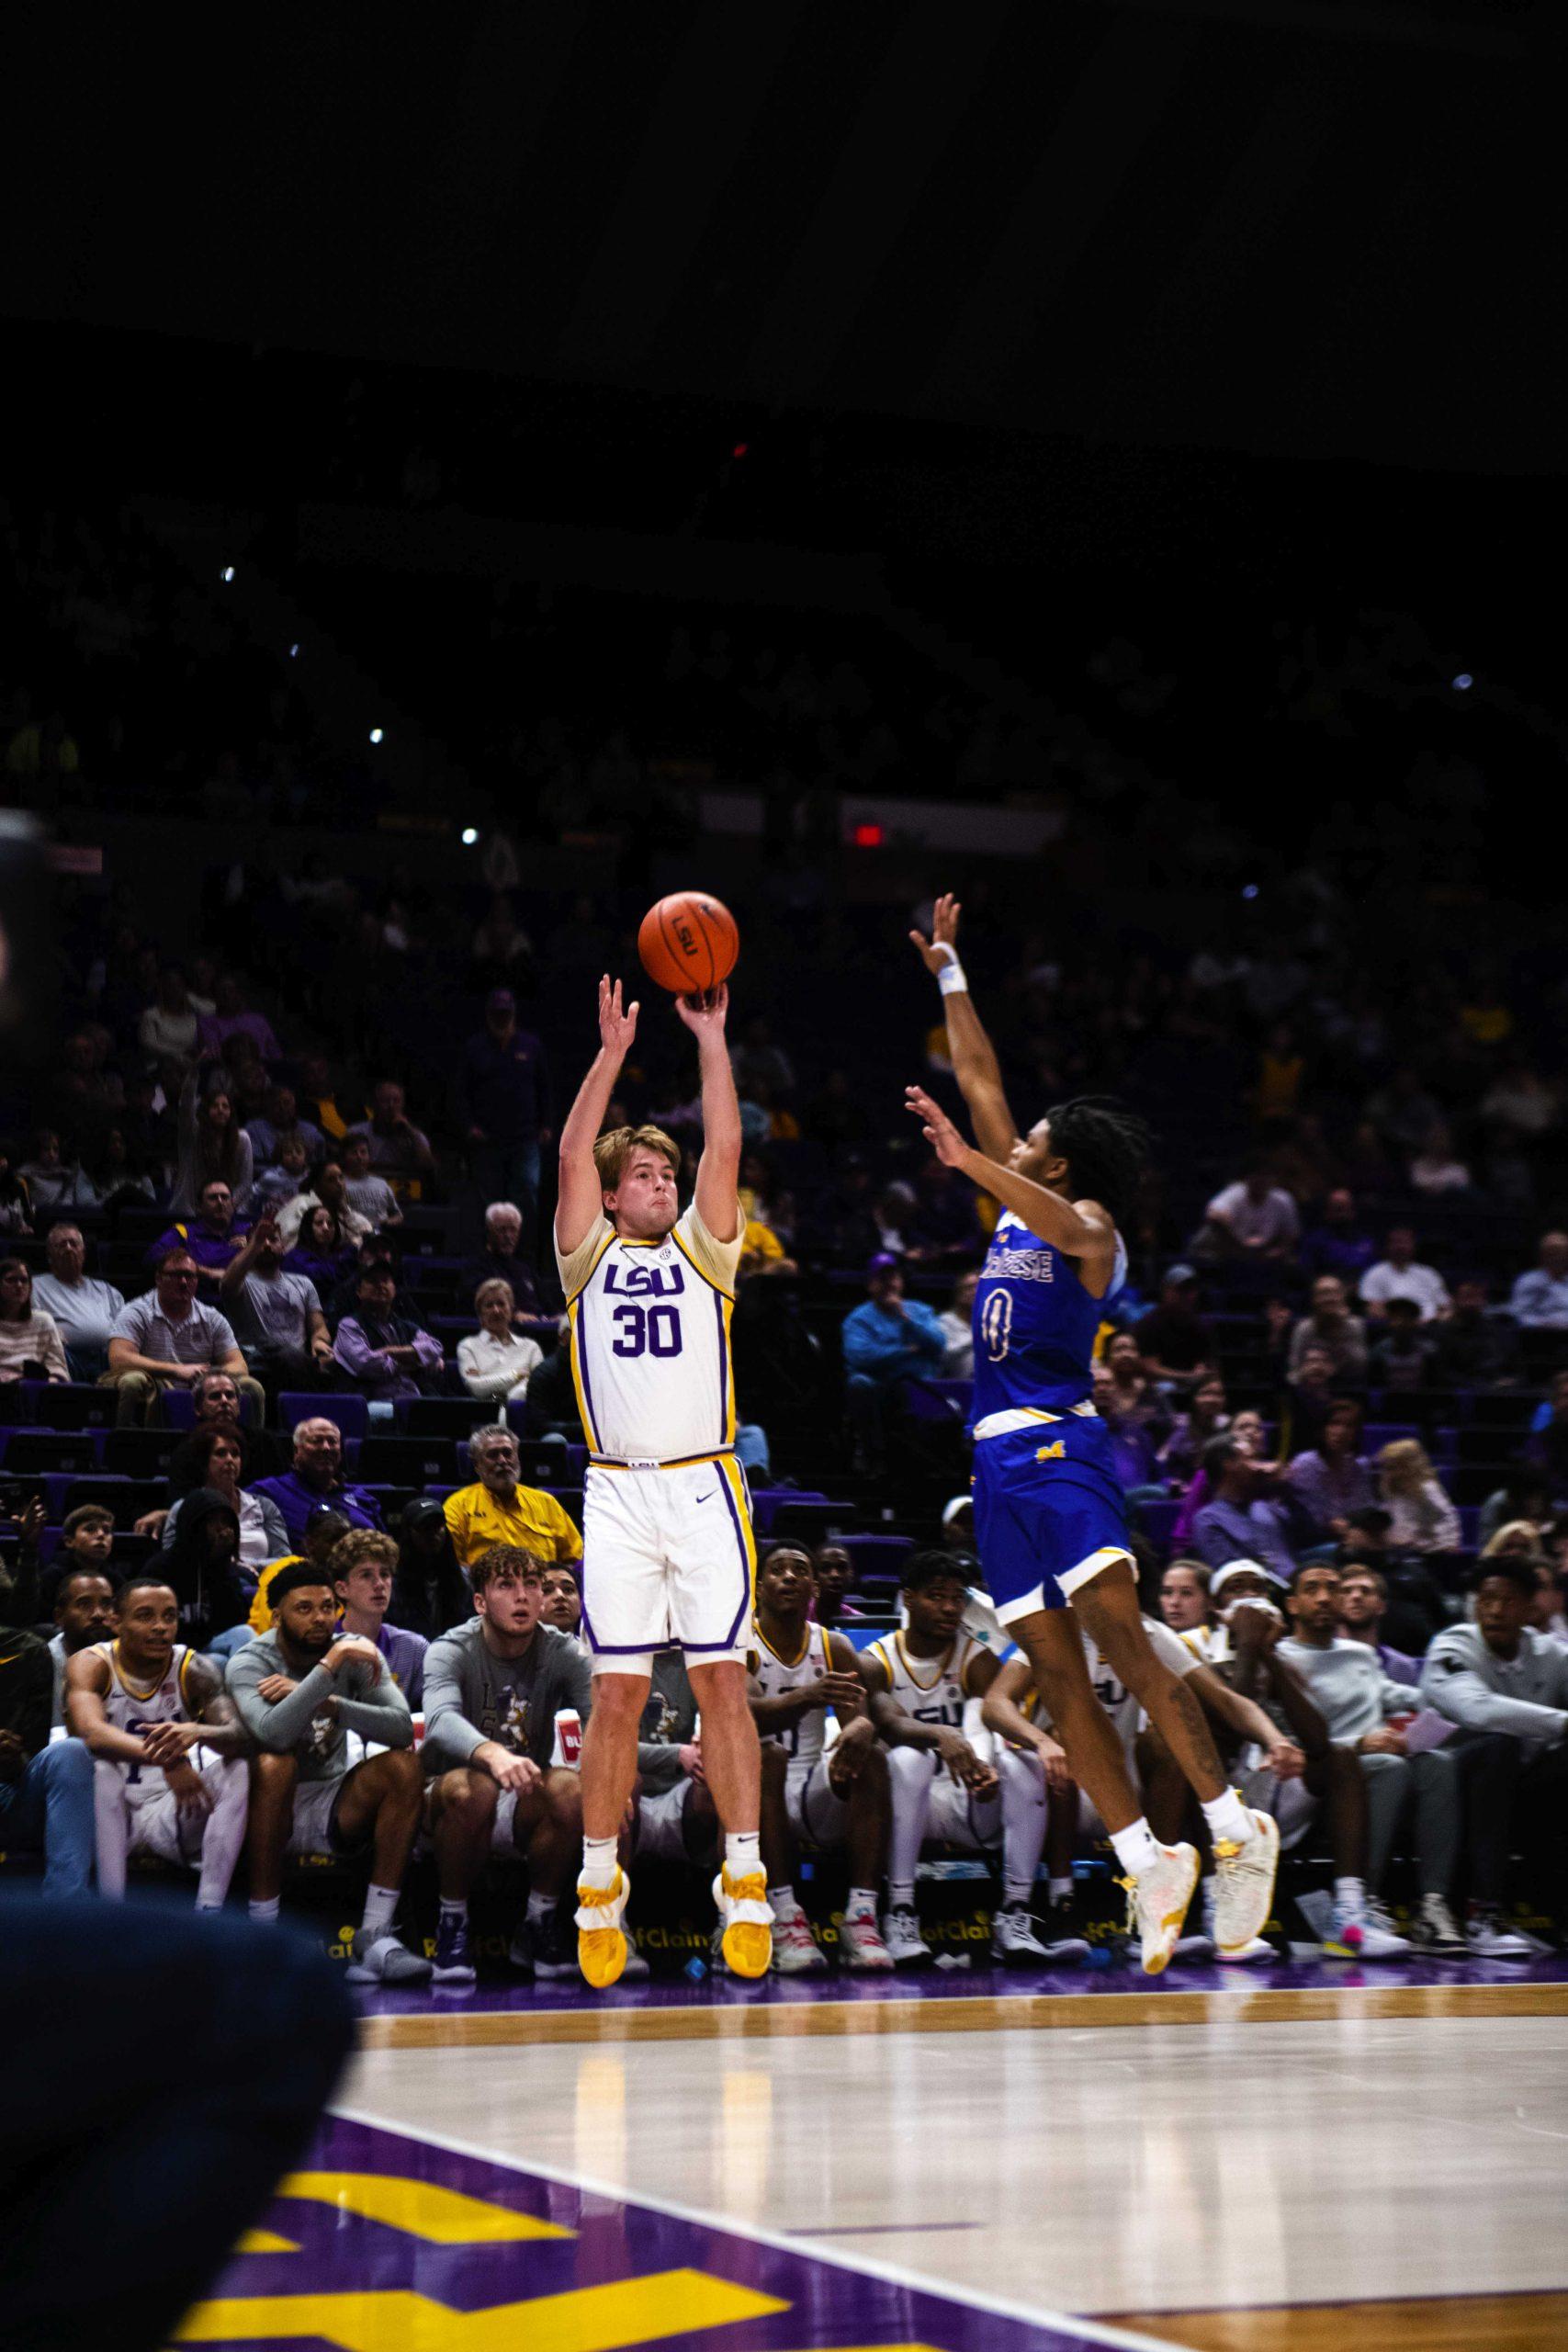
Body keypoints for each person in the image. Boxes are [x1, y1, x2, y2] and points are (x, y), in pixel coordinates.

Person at [908, 891, 1280, 1972]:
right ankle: (1145, 1857)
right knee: (1061, 1684)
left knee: (1125, 1644)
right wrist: (950, 973)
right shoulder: (1020, 1198)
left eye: (1030, 1144)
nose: (1013, 1142)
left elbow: (1052, 1203)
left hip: (1064, 1453)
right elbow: (980, 1081)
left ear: (1059, 1164)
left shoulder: (1088, 1232)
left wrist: (967, 1161)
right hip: (994, 1466)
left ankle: (1229, 1824)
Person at [555, 972, 770, 1988]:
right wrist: (607, 1054)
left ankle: (747, 1876)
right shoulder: (584, 1255)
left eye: (663, 1173)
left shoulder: (704, 1250)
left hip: (703, 1488)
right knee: (618, 1694)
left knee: (723, 1678)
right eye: (642, 1173)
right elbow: (567, 1152)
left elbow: (724, 1146)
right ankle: (600, 1886)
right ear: (609, 1194)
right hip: (616, 1494)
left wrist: (710, 1042)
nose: (661, 1182)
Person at [226, 1557, 432, 1983]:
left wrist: (328, 1701)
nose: (319, 1618)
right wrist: (327, 1671)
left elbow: (399, 1728)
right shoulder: (249, 1662)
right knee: (275, 1765)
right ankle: (263, 1932)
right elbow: (274, 1735)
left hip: (331, 1799)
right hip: (261, 1806)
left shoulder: (353, 1652)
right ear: (276, 1614)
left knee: (404, 1767)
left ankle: (374, 1934)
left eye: (326, 1607)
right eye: (304, 1608)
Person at [422, 1546, 592, 1986]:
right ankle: (452, 1924)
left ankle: (538, 1922)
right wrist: (492, 1753)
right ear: (480, 1602)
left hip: (523, 1795)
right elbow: (439, 1721)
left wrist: (615, 1785)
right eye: (506, 1585)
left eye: (531, 1585)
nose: (523, 1597)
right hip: (448, 1793)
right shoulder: (451, 1648)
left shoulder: (565, 1652)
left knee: (574, 1790)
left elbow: (602, 1725)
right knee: (473, 1788)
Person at [1280, 1561, 1465, 1948]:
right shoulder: (1279, 1658)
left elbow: (1396, 1694)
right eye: (1313, 1588)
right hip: (1313, 1782)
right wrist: (1360, 1745)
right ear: (1292, 1604)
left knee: (1438, 1764)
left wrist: (1450, 1699)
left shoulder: (1360, 1655)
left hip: (1378, 1768)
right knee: (1388, 1767)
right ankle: (1358, 1905)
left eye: (1333, 1587)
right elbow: (1281, 1747)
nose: (1326, 1597)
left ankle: (1434, 1904)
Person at [859, 1552, 1017, 1964]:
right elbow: (889, 1725)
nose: (950, 1608)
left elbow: (996, 1720)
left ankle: (1021, 1914)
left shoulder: (976, 1657)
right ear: (907, 1599)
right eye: (936, 1597)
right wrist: (941, 1734)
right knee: (910, 1760)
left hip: (965, 1799)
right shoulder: (876, 1659)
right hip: (895, 1807)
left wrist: (985, 1765)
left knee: (1022, 1766)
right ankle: (900, 1911)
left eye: (957, 1598)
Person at [747, 1541, 893, 1973]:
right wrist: (809, 1694)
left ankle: (861, 1917)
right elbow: (746, 1716)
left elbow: (856, 1723)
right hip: (753, 1798)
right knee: (766, 1755)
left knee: (875, 1758)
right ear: (758, 1588)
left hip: (814, 1792)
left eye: (799, 1570)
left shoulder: (835, 1647)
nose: (789, 1577)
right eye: (778, 1570)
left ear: (813, 1587)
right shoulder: (742, 1647)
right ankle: (786, 1916)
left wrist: (862, 1728)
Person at [65, 1575, 250, 1906]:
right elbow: (89, 1733)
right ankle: (112, 1910)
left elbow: (237, 1735)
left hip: (176, 1807)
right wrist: (168, 1758)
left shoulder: (196, 1668)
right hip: (113, 1814)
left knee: (238, 1769)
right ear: (115, 1621)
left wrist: (201, 1731)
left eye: (169, 1616)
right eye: (146, 1616)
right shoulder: (92, 1663)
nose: (161, 1627)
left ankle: (209, 1910)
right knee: (103, 1770)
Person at [1422, 1555, 1568, 1952]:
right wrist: (1561, 1721)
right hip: (1453, 1786)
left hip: (1522, 1786)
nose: (1495, 1610)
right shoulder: (1452, 1646)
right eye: (1486, 1600)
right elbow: (1478, 1711)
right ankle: (1483, 1912)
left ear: (1529, 1609)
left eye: (1508, 1601)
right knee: (1499, 1746)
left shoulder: (1551, 1653)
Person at [104, 1247, 262, 1429]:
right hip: (154, 1382)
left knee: (252, 1387)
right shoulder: (136, 1312)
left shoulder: (211, 1317)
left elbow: (239, 1366)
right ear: (159, 1279)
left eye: (190, 1276)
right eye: (175, 1275)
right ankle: (125, 1442)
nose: (184, 1282)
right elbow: (119, 1359)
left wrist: (208, 1377)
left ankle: (249, 1446)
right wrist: (176, 1370)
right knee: (132, 1381)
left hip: (201, 1387)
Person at [0, 1628, 95, 1894]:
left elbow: (32, 1751)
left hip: (13, 1797)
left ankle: (67, 1912)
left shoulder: (28, 1652)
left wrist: (16, 1758)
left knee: (70, 1752)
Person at [840, 1253, 947, 1472]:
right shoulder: (858, 1319)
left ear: (901, 1282)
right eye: (882, 1279)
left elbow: (938, 1344)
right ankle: (872, 1451)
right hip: (880, 1386)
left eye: (893, 1277)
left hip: (917, 1383)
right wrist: (908, 1350)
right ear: (871, 1285)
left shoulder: (920, 1311)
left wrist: (907, 1319)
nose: (889, 1283)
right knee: (859, 1383)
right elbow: (861, 1357)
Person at [458, 989, 552, 1219]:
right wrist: (469, 1125)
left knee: (527, 1193)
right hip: (487, 1139)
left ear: (513, 1015)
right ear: (489, 1015)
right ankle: (490, 1252)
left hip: (524, 1137)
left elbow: (544, 1088)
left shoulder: (531, 1046)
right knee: (490, 1200)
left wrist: (547, 1124)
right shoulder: (475, 1048)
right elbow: (461, 1092)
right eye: (497, 1014)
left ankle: (525, 1253)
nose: (501, 1019)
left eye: (505, 1014)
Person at [217, 1205, 333, 1387]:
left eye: (273, 1240)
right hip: (257, 1360)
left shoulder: (303, 1283)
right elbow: (227, 1284)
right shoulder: (242, 1281)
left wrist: (319, 1341)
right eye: (261, 1241)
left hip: (298, 1362)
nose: (267, 1245)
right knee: (287, 1355)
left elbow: (319, 1327)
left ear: (284, 1246)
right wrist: (255, 1243)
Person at [443, 1423, 583, 1571]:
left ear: (517, 1457)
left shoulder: (546, 1502)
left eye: (507, 1453)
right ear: (477, 1465)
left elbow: (574, 1558)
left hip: (542, 1588)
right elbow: (452, 1565)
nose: (502, 1461)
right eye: (492, 1455)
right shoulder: (458, 1505)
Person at [161, 1427, 290, 1574]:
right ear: (204, 1462)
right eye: (220, 1453)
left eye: (235, 1454)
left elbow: (284, 1559)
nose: (230, 1460)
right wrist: (230, 1567)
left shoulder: (264, 1506)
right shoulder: (183, 1508)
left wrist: (245, 1566)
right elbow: (171, 1561)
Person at [252, 1416, 385, 1547]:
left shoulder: (362, 1498)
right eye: (317, 1441)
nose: (326, 1448)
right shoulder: (270, 1490)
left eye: (332, 1441)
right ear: (296, 1451)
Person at [331, 1528, 428, 1705]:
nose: (379, 1584)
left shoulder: (413, 1648)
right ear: (342, 1589)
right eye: (366, 1575)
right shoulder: (321, 1646)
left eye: (385, 1574)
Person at [1191, 1433, 1299, 1584]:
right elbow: (1234, 1577)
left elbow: (1307, 1536)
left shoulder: (1266, 1507)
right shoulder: (1208, 1519)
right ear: (1228, 1464)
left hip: (1298, 1588)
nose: (1259, 1467)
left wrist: (1282, 1486)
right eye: (1251, 1459)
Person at [332, 1263, 444, 1408]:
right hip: (372, 1403)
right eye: (373, 1281)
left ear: (394, 1290)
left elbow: (435, 1349)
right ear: (359, 1291)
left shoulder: (405, 1326)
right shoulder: (349, 1325)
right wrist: (416, 1361)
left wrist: (390, 1352)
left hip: (416, 1398)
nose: (380, 1285)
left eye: (385, 1280)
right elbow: (367, 1365)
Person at [30, 1222, 124, 1380]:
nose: (68, 1248)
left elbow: (125, 1330)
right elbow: (30, 1326)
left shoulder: (107, 1291)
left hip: (105, 1359)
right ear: (49, 1256)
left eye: (73, 1244)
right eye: (61, 1245)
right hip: (64, 1356)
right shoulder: (34, 1286)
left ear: (83, 1252)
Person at [169, 1063, 254, 1219]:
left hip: (228, 1210)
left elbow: (245, 1183)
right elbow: (185, 1108)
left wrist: (227, 1206)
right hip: (190, 1209)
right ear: (205, 1111)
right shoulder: (193, 1134)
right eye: (215, 1106)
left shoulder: (242, 1139)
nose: (221, 1109)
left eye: (225, 1106)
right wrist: (193, 1074)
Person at [1287, 1399, 1377, 1544]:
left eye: (1349, 1425)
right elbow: (1309, 1517)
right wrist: (1338, 1526)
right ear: (1323, 1429)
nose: (1341, 1431)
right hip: (1314, 1540)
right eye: (1334, 1424)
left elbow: (1366, 1508)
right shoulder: (1306, 1464)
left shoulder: (1360, 1466)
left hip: (1353, 1536)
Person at [151, 1178, 251, 1297]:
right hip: (199, 1302)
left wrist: (255, 1249)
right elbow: (153, 1257)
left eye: (225, 1197)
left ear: (233, 1204)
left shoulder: (251, 1232)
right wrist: (205, 1272)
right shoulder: (184, 1233)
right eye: (213, 1198)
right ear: (199, 1207)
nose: (220, 1202)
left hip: (243, 1301)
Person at [47, 1567, 121, 1726]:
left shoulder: (129, 1658)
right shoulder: (42, 1661)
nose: (98, 1614)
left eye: (106, 1604)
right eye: (85, 1605)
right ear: (59, 1616)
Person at [390, 1496, 472, 1640]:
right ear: (409, 1533)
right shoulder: (391, 1583)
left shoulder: (465, 1580)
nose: (433, 1533)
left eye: (438, 1526)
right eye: (424, 1527)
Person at [457, 1278, 545, 1402]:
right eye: (489, 1306)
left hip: (523, 1416)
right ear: (480, 1314)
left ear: (511, 1309)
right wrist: (517, 1375)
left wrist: (489, 1382)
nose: (496, 1310)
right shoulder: (468, 1346)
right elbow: (476, 1387)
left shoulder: (531, 1347)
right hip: (485, 1416)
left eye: (501, 1304)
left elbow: (539, 1387)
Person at [1428, 1276, 1521, 1388]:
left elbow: (1514, 1367)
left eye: (1478, 1297)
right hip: (1460, 1393)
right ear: (1454, 1299)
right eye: (1467, 1297)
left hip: (1499, 1391)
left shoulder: (1499, 1331)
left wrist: (1509, 1382)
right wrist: (1484, 1386)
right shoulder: (1441, 1333)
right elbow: (1442, 1374)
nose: (1472, 1303)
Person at [1337, 1564, 1422, 1685]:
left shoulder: (1404, 1668)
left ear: (1381, 1606)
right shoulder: (1321, 1662)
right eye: (1346, 1591)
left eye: (1365, 1591)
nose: (1356, 1596)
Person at [1134, 1265, 1214, 1392]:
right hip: (1156, 1389)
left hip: (1192, 1388)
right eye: (1181, 1290)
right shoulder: (1148, 1325)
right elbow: (1149, 1368)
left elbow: (1206, 1363)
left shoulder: (1201, 1326)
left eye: (1191, 1290)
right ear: (1166, 1290)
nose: (1187, 1295)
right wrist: (1188, 1376)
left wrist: (1202, 1370)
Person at [1377, 1438, 1461, 1556]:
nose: (1389, 1473)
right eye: (1387, 1468)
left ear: (1408, 1467)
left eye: (1393, 1468)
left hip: (1426, 1552)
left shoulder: (1427, 1489)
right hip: (1398, 1549)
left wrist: (1449, 1543)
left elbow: (1446, 1516)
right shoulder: (1394, 1488)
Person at [458, 1201, 542, 1318]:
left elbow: (547, 1305)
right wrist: (514, 1315)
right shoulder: (476, 1268)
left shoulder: (524, 1269)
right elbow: (480, 1304)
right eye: (502, 1230)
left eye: (513, 1230)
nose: (508, 1236)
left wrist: (556, 1316)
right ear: (489, 1232)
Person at [1198, 1163, 1300, 1261]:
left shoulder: (1283, 1199)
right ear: (1246, 1178)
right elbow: (1213, 1214)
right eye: (1257, 1175)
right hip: (1227, 1251)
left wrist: (1277, 1252)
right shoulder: (1235, 1192)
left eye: (1267, 1175)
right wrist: (1237, 1243)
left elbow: (1291, 1233)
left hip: (1265, 1255)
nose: (1262, 1180)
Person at [344, 1080, 435, 1187]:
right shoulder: (356, 1132)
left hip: (405, 1191)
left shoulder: (414, 1135)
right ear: (375, 1104)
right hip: (367, 1187)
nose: (391, 1106)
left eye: (396, 1101)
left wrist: (411, 1133)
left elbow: (428, 1166)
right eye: (385, 1101)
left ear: (402, 1104)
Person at [1287, 1276, 1368, 1385]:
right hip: (1311, 1389)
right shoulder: (1304, 1329)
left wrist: (1340, 1328)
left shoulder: (1354, 1325)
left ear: (1342, 1297)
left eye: (1335, 1293)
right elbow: (1292, 1376)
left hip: (1346, 1388)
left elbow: (1360, 1369)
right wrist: (1307, 1373)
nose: (1329, 1298)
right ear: (1314, 1299)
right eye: (1324, 1293)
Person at [1359, 1226, 1450, 1322]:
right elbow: (1373, 1309)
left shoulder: (1429, 1273)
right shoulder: (1375, 1273)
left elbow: (1445, 1306)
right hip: (1394, 1328)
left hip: (1431, 1327)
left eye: (1405, 1242)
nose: (1400, 1247)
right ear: (1387, 1246)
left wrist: (1437, 1320)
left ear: (1413, 1246)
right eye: (1396, 1242)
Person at [0, 1258, 69, 1385]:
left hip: (32, 1389)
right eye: (11, 1280)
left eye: (24, 1280)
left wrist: (45, 1383)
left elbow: (58, 1368)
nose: (19, 1285)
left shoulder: (43, 1321)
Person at [1301, 1187, 1378, 1287]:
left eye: (1346, 1209)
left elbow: (1375, 1272)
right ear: (1327, 1212)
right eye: (1338, 1209)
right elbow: (1308, 1274)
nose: (1343, 1215)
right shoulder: (1315, 1242)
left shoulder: (1366, 1241)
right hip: (1330, 1293)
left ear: (1353, 1211)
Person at [338, 1129, 403, 1230]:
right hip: (353, 1234)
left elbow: (397, 1215)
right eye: (354, 1153)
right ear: (344, 1157)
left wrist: (388, 1223)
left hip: (382, 1235)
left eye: (363, 1152)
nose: (359, 1157)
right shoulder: (339, 1183)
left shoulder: (381, 1183)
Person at [1509, 1230, 1568, 1330]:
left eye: (1563, 1253)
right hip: (1541, 1335)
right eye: (1553, 1253)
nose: (1559, 1258)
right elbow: (1520, 1315)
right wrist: (1545, 1324)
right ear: (1544, 1256)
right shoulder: (1529, 1281)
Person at [812, 1539, 864, 1627]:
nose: (834, 1575)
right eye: (825, 1568)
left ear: (851, 1575)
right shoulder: (797, 1618)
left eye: (841, 1567)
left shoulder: (861, 1623)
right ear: (814, 1576)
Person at [938, 1269, 979, 1378]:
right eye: (969, 1287)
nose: (975, 1292)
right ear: (958, 1293)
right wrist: (977, 1337)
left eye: (978, 1287)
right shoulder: (945, 1321)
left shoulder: (992, 1321)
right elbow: (945, 1355)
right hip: (955, 1383)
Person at [539, 1561, 583, 1638]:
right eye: (546, 1590)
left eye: (568, 1590)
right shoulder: (515, 1649)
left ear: (581, 1603)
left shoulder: (591, 1650)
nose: (560, 1595)